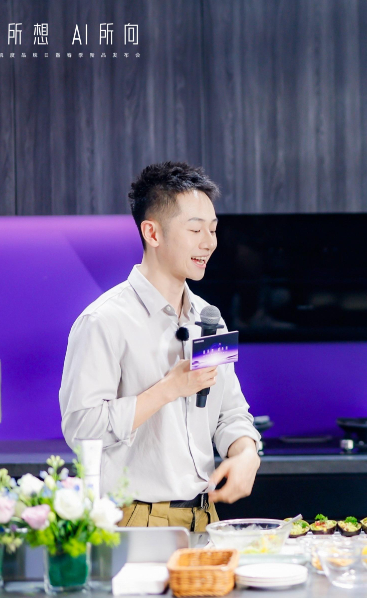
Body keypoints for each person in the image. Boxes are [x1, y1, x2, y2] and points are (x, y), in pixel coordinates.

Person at [59, 161, 261, 532]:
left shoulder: (210, 319)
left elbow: (230, 412)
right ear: (152, 232)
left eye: (213, 229)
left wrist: (246, 450)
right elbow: (81, 428)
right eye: (195, 229)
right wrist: (167, 390)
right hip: (135, 521)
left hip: (205, 519)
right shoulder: (104, 320)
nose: (209, 243)